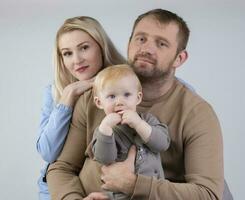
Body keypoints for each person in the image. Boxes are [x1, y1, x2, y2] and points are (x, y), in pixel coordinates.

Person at [47, 9, 232, 200]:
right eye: (141, 39)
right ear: (129, 44)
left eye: (161, 43)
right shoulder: (95, 97)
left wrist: (133, 184)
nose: (146, 49)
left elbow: (208, 194)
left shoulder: (196, 113)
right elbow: (61, 168)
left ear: (179, 58)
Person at [36, 16, 125, 200]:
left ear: (101, 46)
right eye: (67, 53)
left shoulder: (123, 82)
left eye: (84, 48)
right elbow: (48, 152)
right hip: (55, 189)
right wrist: (69, 95)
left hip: (101, 189)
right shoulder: (55, 92)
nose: (77, 60)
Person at [89, 64, 170, 199]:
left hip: (154, 192)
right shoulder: (103, 131)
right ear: (99, 102)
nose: (119, 102)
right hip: (123, 196)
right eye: (111, 96)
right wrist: (105, 129)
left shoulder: (148, 120)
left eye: (127, 95)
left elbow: (162, 144)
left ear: (138, 98)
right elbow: (105, 159)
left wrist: (139, 124)